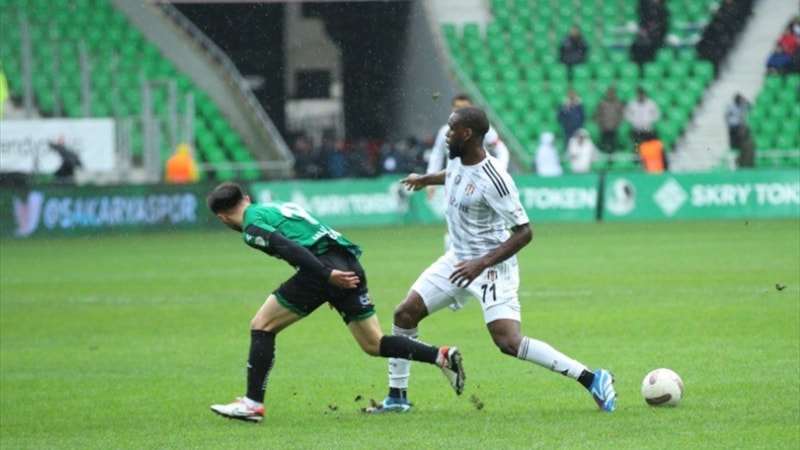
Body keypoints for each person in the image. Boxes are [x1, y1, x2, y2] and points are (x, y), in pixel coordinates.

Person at [365, 106, 616, 413]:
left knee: (508, 342)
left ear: (467, 134)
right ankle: (397, 397)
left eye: (452, 128)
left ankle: (592, 378)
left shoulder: (496, 179)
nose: (447, 133)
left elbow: (524, 232)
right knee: (405, 314)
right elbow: (455, 176)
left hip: (491, 268)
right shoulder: (458, 159)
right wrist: (426, 179)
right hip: (458, 260)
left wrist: (481, 264)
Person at [205, 182, 466, 423]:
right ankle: (441, 356)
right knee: (373, 343)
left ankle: (252, 404)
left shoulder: (251, 227)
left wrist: (326, 277)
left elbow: (289, 247)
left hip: (324, 270)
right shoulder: (271, 207)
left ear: (223, 218)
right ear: (247, 198)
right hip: (348, 263)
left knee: (262, 325)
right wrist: (330, 286)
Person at [593, 86, 626, 154]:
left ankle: (612, 160)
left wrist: (617, 123)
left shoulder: (618, 103)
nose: (610, 94)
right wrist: (600, 123)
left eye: (612, 93)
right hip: (604, 128)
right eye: (609, 93)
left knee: (613, 146)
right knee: (604, 145)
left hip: (614, 128)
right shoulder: (602, 103)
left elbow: (621, 115)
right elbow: (597, 114)